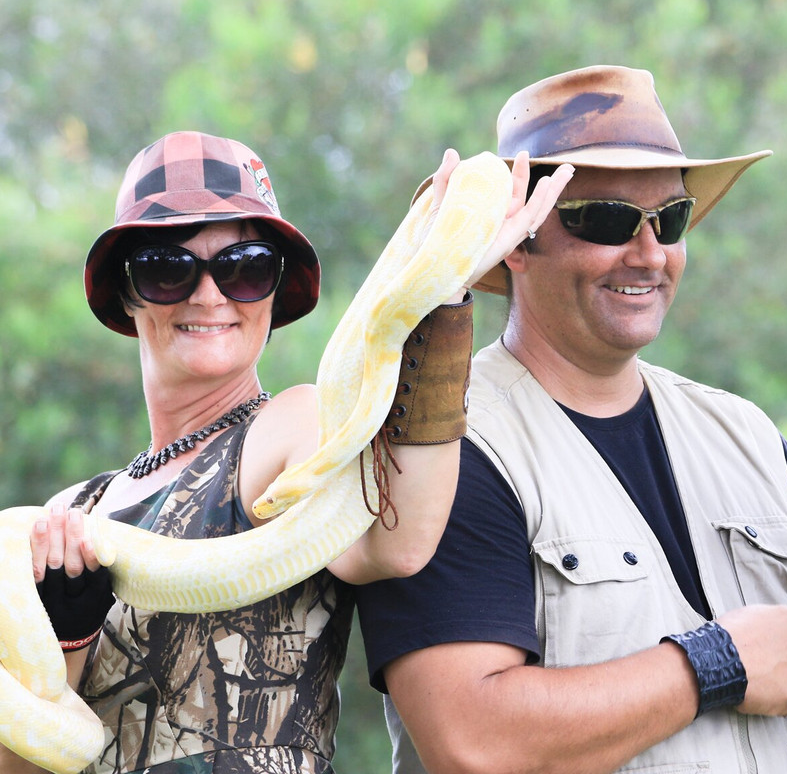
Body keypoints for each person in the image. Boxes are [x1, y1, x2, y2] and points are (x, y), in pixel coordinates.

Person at [355, 65, 787, 773]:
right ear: (518, 241)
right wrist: (713, 665)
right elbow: (472, 740)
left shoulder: (747, 437)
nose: (648, 254)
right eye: (607, 219)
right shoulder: (447, 447)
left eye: (670, 220)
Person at [1, 131, 572, 774]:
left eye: (245, 266)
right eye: (166, 269)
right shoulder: (67, 512)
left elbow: (398, 541)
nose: (209, 295)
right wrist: (68, 635)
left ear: (273, 293)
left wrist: (437, 294)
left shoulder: (292, 426)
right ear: (128, 295)